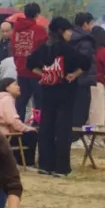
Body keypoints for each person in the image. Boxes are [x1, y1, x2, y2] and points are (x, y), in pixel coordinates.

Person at [26, 17, 88, 177]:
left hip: (47, 92)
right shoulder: (67, 49)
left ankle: (45, 164)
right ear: (61, 31)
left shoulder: (43, 48)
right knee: (62, 129)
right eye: (68, 31)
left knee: (46, 127)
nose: (70, 34)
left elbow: (30, 63)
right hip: (65, 93)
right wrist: (74, 75)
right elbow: (86, 63)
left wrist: (44, 74)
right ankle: (61, 168)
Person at [0, 77, 38, 166]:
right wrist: (28, 128)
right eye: (15, 84)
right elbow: (12, 121)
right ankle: (26, 162)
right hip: (6, 134)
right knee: (32, 133)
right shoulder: (7, 99)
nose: (18, 87)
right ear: (7, 88)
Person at [11, 3, 48, 119]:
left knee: (21, 101)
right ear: (37, 14)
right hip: (36, 72)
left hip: (21, 70)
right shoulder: (40, 30)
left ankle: (18, 124)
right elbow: (45, 50)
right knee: (39, 102)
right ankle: (37, 123)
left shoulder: (15, 31)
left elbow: (13, 49)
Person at [69, 12, 98, 128]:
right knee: (81, 112)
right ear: (85, 24)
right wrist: (75, 74)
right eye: (91, 24)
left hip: (68, 81)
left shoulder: (68, 37)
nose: (91, 27)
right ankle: (75, 135)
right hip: (82, 81)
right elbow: (85, 62)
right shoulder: (85, 40)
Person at [90, 26, 105, 127]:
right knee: (97, 113)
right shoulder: (103, 51)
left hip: (84, 83)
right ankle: (95, 133)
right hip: (97, 83)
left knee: (88, 112)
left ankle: (86, 133)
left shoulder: (87, 49)